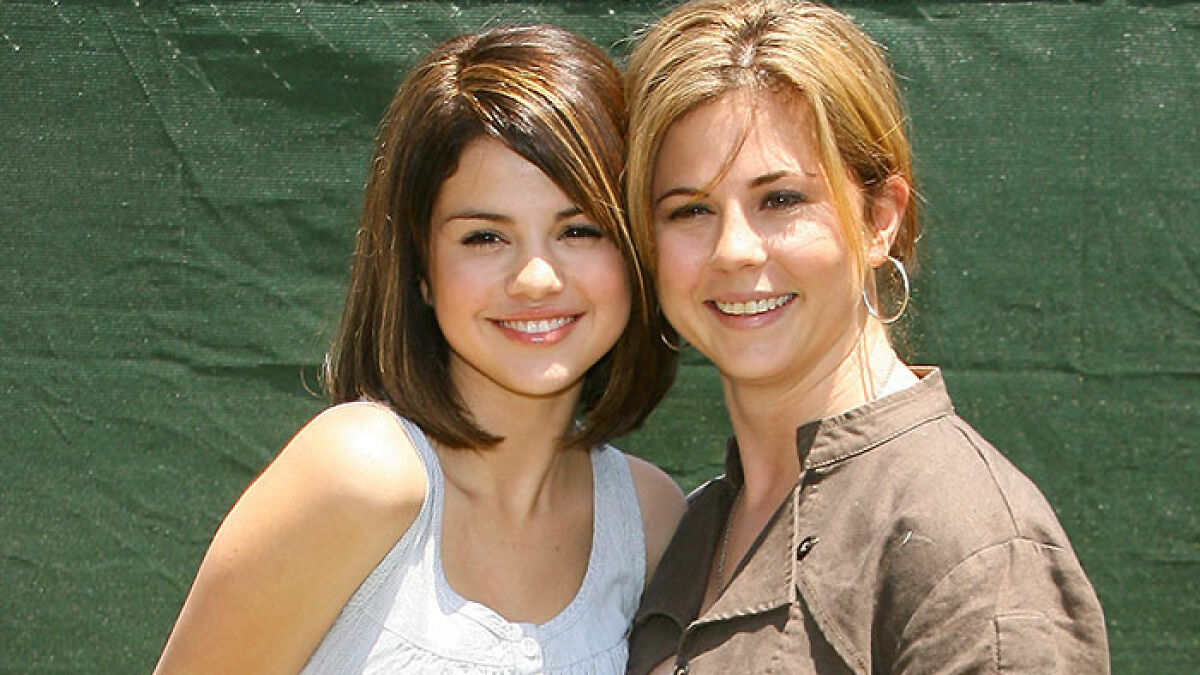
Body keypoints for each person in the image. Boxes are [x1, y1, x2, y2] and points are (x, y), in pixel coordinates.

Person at [154, 24, 686, 674]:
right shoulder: (359, 473)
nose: (537, 277)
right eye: (485, 238)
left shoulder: (649, 520)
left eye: (579, 229)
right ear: (421, 269)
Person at [621, 1, 1110, 672]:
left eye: (781, 199)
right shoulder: (697, 524)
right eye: (690, 209)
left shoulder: (969, 538)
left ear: (881, 217)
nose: (733, 248)